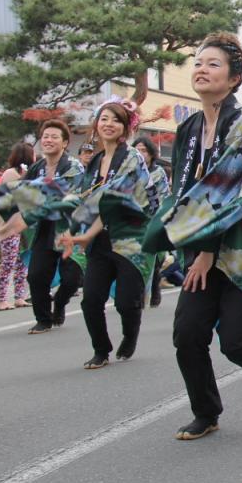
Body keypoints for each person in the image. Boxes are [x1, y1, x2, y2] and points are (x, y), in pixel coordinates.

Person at [143, 32, 242, 440]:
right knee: (188, 334)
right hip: (201, 250)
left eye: (213, 64)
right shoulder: (189, 128)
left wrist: (207, 250)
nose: (201, 69)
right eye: (197, 62)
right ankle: (206, 412)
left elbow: (235, 192)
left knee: (237, 343)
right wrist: (176, 243)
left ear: (234, 78)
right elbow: (182, 193)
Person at [62, 100, 155, 369]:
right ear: (96, 124)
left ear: (125, 127)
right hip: (100, 242)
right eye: (104, 118)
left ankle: (131, 332)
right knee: (91, 299)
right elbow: (82, 201)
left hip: (130, 239)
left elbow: (111, 200)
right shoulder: (93, 163)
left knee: (127, 302)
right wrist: (73, 231)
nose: (108, 124)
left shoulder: (132, 158)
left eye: (115, 120)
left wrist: (85, 233)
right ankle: (100, 350)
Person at [0, 120, 86, 333]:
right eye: (45, 136)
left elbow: (56, 194)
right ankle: (44, 319)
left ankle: (61, 303)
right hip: (44, 228)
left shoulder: (74, 167)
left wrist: (16, 212)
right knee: (36, 275)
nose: (48, 140)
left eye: (54, 136)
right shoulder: (37, 168)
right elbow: (20, 191)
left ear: (65, 142)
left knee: (72, 279)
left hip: (69, 228)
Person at [0, 143, 34, 310]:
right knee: (8, 262)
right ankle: (1, 299)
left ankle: (19, 296)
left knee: (21, 262)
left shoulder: (26, 173)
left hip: (21, 225)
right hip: (9, 225)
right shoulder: (11, 173)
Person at [134, 136, 171, 308]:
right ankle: (138, 292)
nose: (140, 154)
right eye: (137, 150)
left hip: (151, 220)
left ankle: (154, 284)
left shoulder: (158, 173)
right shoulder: (129, 171)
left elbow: (163, 196)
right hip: (132, 221)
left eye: (143, 150)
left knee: (154, 258)